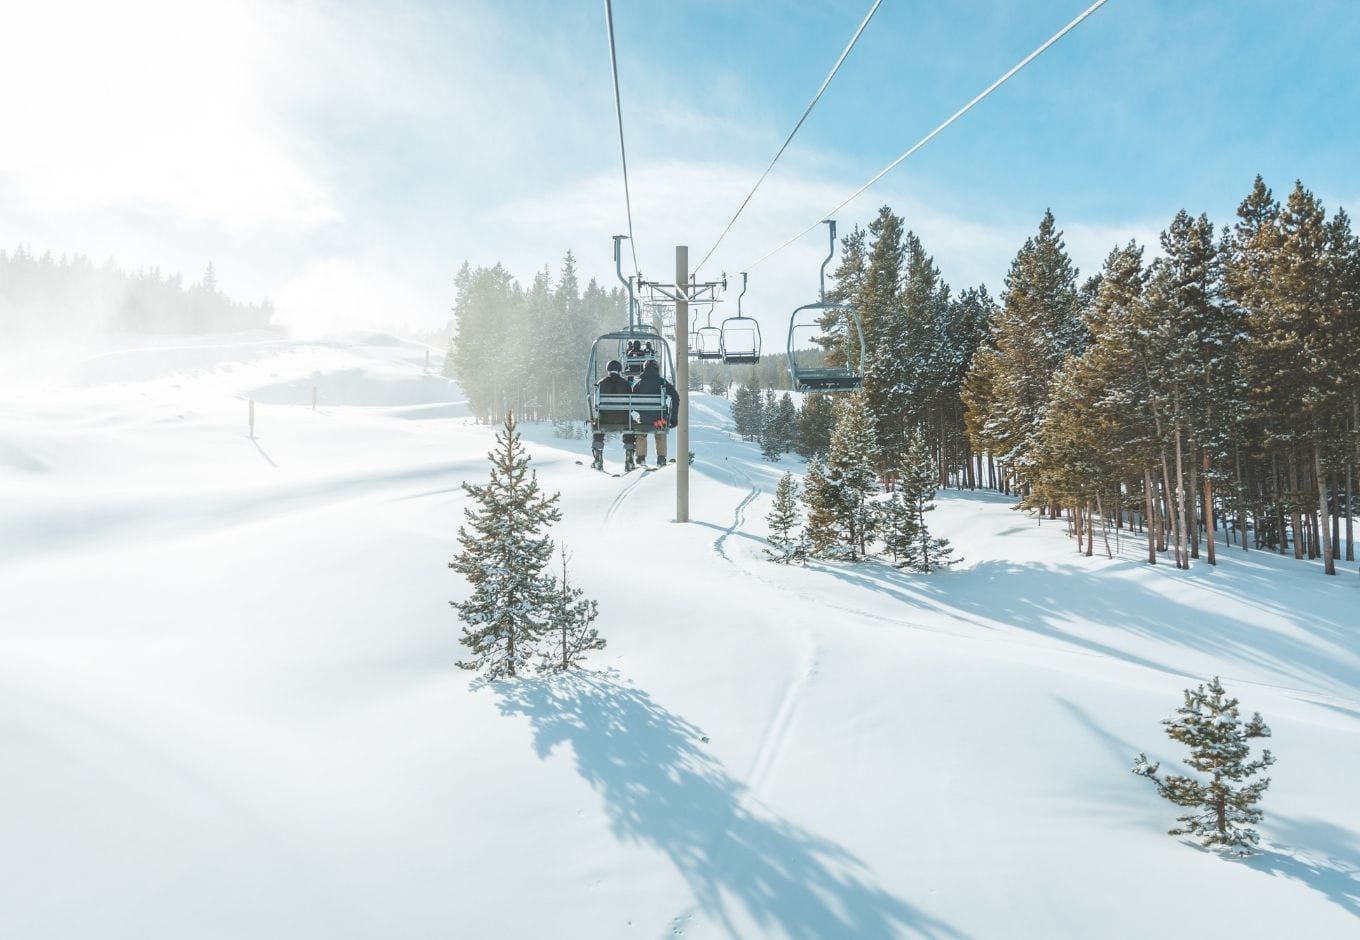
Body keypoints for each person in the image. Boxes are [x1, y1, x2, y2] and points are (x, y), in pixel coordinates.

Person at [631, 358, 679, 467]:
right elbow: (675, 397)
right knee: (660, 431)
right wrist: (673, 418)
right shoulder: (662, 382)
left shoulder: (639, 384)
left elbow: (633, 402)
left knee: (641, 431)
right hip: (659, 420)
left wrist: (641, 411)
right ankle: (661, 458)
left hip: (644, 420)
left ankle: (641, 457)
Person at [591, 359, 639, 471]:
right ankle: (629, 456)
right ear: (619, 370)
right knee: (630, 427)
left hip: (605, 419)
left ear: (608, 369)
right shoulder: (626, 384)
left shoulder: (600, 383)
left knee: (597, 427)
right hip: (623, 419)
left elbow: (596, 406)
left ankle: (598, 456)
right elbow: (630, 404)